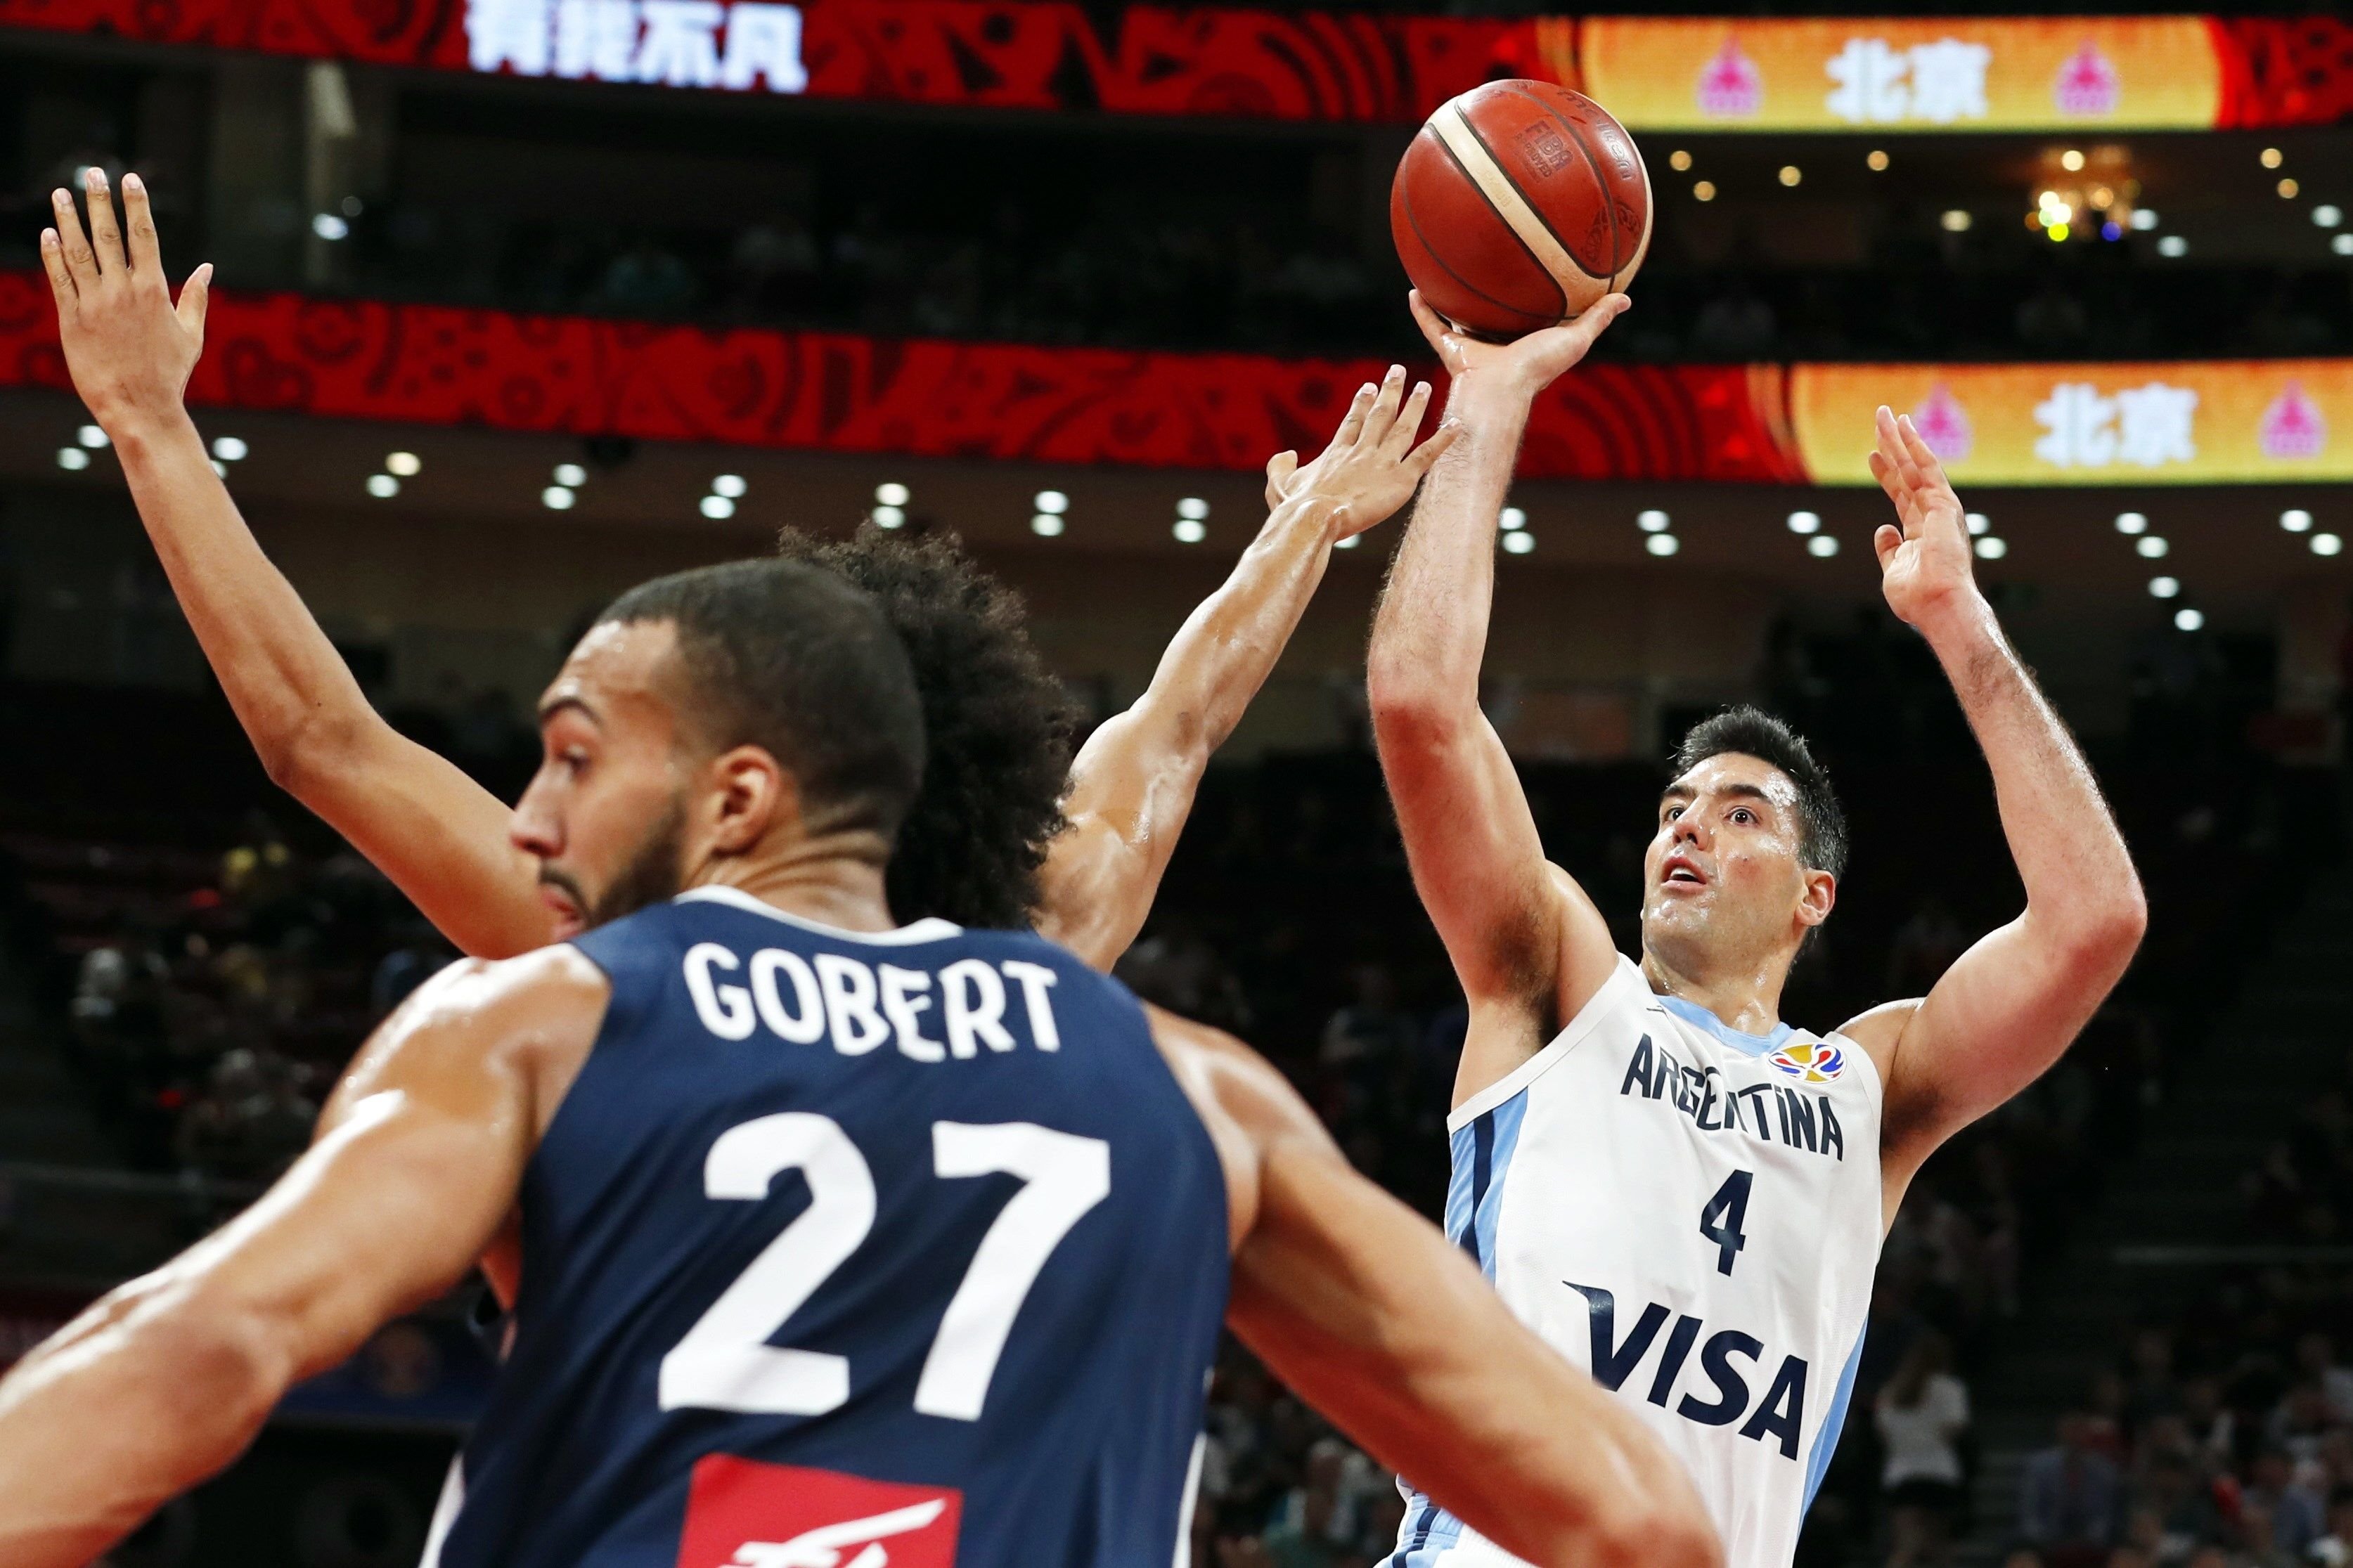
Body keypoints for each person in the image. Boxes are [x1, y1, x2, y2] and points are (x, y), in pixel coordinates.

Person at [0, 550, 1721, 1568]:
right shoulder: (1196, 1091)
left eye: (577, 756)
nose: (536, 813)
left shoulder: (551, 1015)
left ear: (741, 794)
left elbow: (204, 1341)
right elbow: (1640, 1526)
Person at [39, 163, 1453, 973]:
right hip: (934, 1489)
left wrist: (151, 425)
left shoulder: (630, 949)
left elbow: (319, 735)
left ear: (761, 779)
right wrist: (1306, 528)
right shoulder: (1045, 935)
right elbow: (1182, 718)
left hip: (672, 1485)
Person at [1365, 287, 2146, 1567]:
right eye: (1675, 807)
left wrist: (1957, 620)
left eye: (1738, 814)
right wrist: (1490, 406)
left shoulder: (1867, 1084)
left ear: (1811, 895)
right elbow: (1417, 704)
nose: (1686, 829)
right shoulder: (1562, 987)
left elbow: (2094, 919)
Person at [1875, 1333, 1969, 1568]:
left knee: (1906, 1545)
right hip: (1938, 1472)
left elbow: (1883, 1433)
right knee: (1940, 1548)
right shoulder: (1950, 1389)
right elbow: (1956, 1428)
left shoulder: (1892, 1391)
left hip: (1903, 1474)